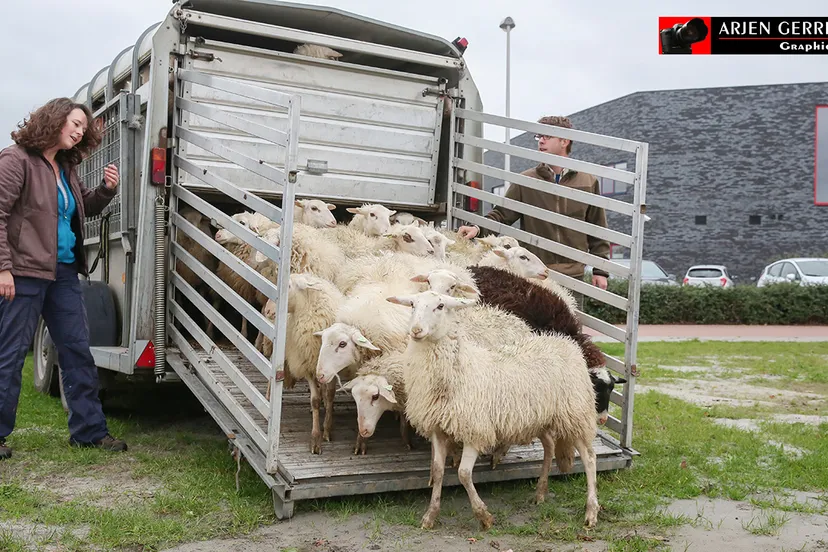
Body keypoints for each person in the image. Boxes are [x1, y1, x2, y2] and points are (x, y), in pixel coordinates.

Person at [0, 98, 128, 460]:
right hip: (23, 273)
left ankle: (89, 432)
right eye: (75, 124)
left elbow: (83, 206)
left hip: (65, 274)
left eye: (83, 128)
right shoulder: (16, 160)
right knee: (10, 355)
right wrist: (3, 268)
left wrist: (106, 190)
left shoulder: (66, 167)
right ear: (54, 120)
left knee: (77, 351)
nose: (79, 131)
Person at [457, 115, 610, 308]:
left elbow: (597, 227)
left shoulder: (588, 181)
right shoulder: (526, 180)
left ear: (564, 141)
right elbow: (501, 215)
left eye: (547, 136)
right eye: (539, 136)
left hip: (573, 276)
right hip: (534, 273)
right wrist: (478, 229)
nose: (541, 141)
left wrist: (600, 270)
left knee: (571, 325)